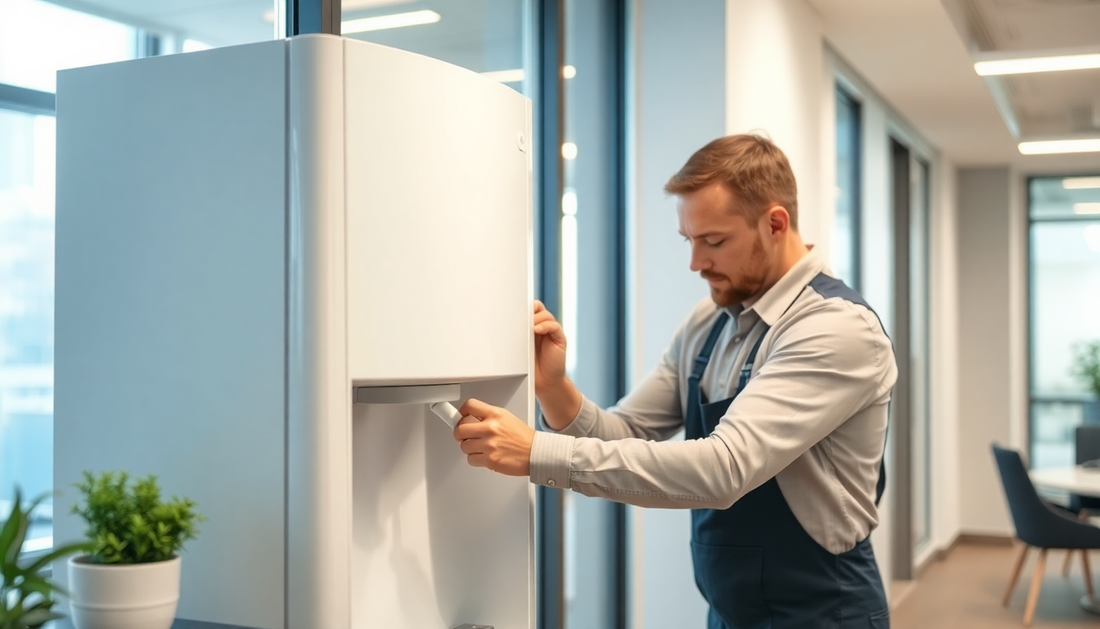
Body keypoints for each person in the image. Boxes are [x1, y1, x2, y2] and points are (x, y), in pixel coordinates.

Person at [453, 133, 897, 629]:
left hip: (823, 614)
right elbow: (626, 433)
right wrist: (554, 387)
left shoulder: (834, 329)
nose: (696, 263)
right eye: (690, 241)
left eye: (714, 241)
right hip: (730, 614)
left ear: (775, 223)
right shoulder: (708, 324)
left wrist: (538, 453)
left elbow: (723, 468)